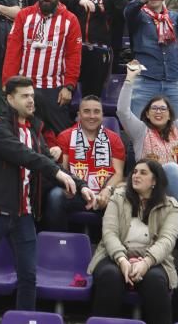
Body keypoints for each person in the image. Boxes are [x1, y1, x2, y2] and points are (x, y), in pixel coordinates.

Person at [0, 75, 95, 312]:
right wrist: (57, 173)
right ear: (10, 99)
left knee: (29, 277)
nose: (31, 100)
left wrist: (81, 184)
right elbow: (25, 155)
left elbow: (44, 159)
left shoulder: (34, 130)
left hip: (24, 214)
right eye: (25, 96)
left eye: (32, 95)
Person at [117, 60, 178, 245]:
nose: (159, 111)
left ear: (170, 114)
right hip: (150, 193)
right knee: (170, 168)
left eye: (163, 108)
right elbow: (122, 111)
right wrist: (129, 79)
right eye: (154, 108)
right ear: (146, 114)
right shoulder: (139, 132)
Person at [88, 160, 178, 324]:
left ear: (155, 181)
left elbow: (167, 240)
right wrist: (122, 260)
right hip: (113, 256)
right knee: (111, 276)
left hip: (153, 260)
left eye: (143, 173)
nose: (136, 176)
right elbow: (109, 233)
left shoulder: (170, 206)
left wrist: (146, 262)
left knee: (155, 281)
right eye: (135, 172)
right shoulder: (118, 198)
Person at [2, 0, 82, 134]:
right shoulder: (24, 16)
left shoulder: (70, 20)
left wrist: (69, 86)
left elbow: (74, 56)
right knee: (19, 132)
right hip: (24, 86)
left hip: (55, 89)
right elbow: (13, 51)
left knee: (60, 135)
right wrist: (7, 82)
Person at [43, 95, 126, 230]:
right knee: (55, 195)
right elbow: (63, 171)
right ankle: (58, 243)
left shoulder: (114, 139)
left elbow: (118, 173)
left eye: (96, 111)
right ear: (78, 114)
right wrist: (73, 188)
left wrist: (107, 190)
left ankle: (111, 246)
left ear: (102, 114)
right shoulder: (65, 136)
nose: (92, 116)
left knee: (121, 197)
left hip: (104, 193)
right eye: (86, 111)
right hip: (76, 193)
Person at [61, 0, 127, 95]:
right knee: (66, 94)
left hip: (99, 50)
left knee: (92, 95)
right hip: (73, 49)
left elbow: (124, 10)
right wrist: (80, 0)